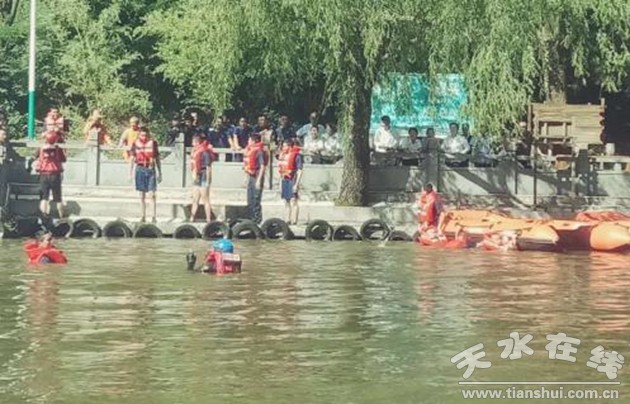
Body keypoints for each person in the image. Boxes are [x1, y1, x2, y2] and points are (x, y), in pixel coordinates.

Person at [130, 127, 162, 223]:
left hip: (150, 169)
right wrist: (130, 173)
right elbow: (132, 158)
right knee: (141, 195)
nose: (144, 137)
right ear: (139, 135)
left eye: (146, 135)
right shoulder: (135, 144)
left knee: (152, 194)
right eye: (142, 135)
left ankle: (153, 217)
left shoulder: (153, 143)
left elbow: (157, 158)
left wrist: (160, 172)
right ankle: (143, 216)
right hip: (140, 168)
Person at [35, 131, 66, 219]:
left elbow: (35, 156)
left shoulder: (41, 148)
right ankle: (61, 217)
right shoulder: (58, 149)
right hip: (55, 174)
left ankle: (43, 217)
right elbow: (63, 159)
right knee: (58, 198)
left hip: (44, 174)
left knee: (44, 197)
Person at [278, 139, 304, 225]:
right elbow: (281, 171)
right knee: (286, 201)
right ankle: (287, 220)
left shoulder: (297, 156)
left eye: (285, 146)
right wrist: (280, 183)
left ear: (290, 146)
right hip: (285, 179)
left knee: (294, 200)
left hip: (292, 179)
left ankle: (294, 221)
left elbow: (300, 170)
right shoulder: (283, 155)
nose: (283, 148)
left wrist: (296, 184)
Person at [243, 134, 266, 224]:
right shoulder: (250, 150)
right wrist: (246, 178)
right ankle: (251, 218)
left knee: (256, 199)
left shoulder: (259, 151)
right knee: (250, 199)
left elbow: (262, 166)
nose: (248, 142)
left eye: (249, 140)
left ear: (254, 141)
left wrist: (259, 180)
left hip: (257, 177)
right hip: (251, 176)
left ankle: (257, 220)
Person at [190, 134, 213, 223]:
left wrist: (208, 180)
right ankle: (192, 218)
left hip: (203, 175)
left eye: (193, 142)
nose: (192, 143)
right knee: (195, 199)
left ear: (197, 142)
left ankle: (208, 219)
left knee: (205, 199)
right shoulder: (194, 152)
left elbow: (208, 167)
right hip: (196, 176)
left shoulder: (204, 152)